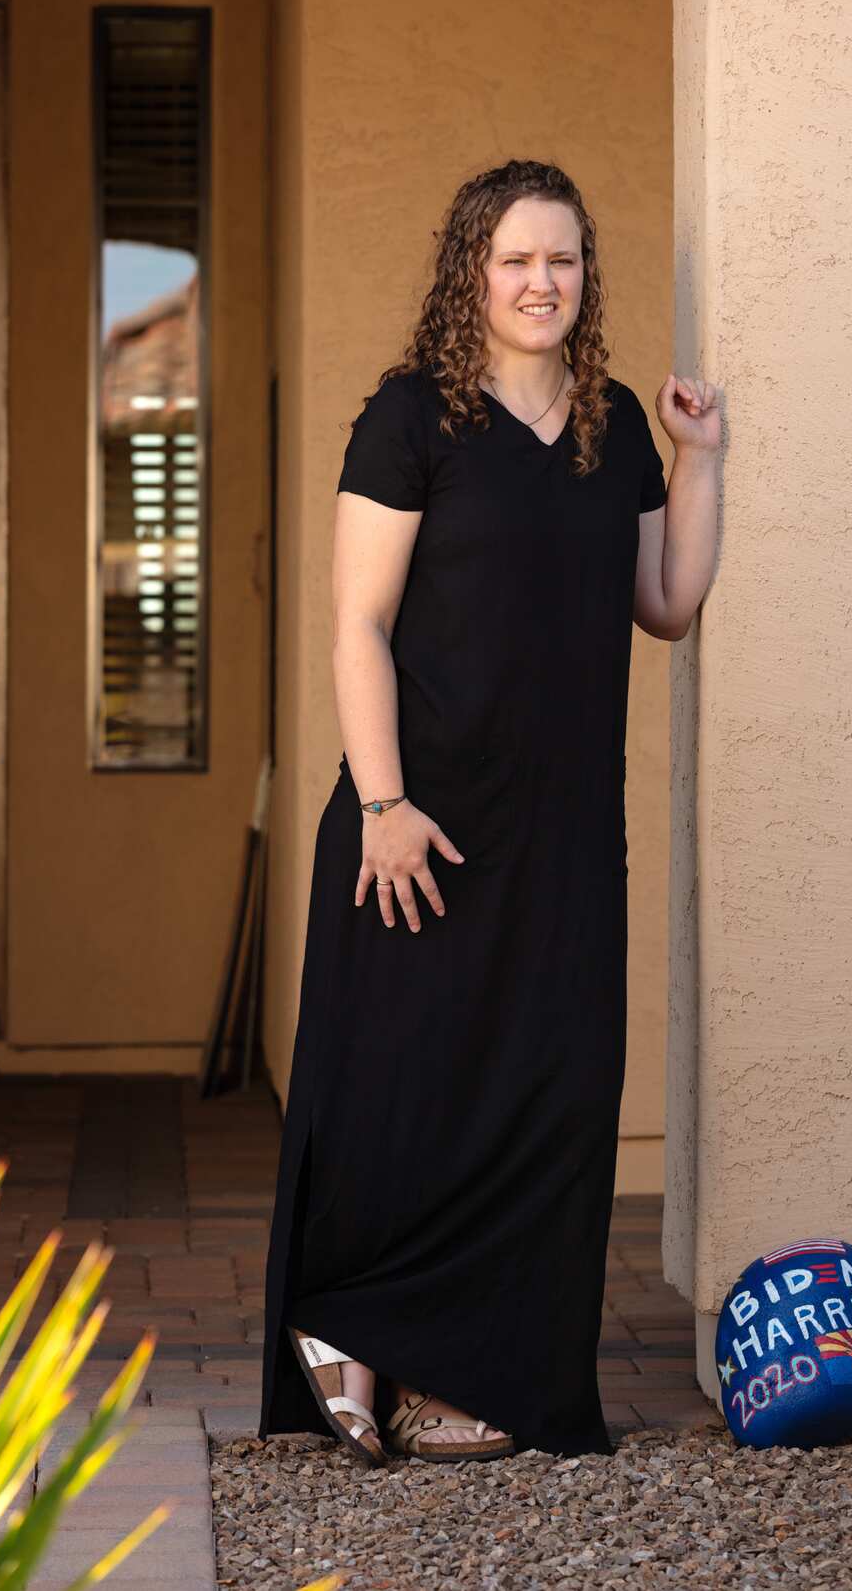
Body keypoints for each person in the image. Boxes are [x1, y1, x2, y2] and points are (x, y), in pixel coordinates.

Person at [258, 157, 719, 1467]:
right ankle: (350, 1331)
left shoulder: (611, 424)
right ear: (472, 272)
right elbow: (357, 624)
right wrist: (383, 803)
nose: (540, 281)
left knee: (544, 1108)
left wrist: (700, 461)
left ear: (586, 276)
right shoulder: (412, 417)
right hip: (423, 829)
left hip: (563, 840)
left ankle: (476, 1379)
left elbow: (669, 603)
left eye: (562, 259)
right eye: (515, 258)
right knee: (407, 1098)